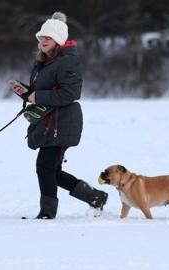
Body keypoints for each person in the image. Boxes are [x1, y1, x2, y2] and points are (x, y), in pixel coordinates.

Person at [12, 12, 108, 219]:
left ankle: (47, 213)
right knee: (50, 170)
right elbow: (46, 92)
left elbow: (70, 93)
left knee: (44, 167)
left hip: (62, 122)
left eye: (47, 37)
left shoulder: (67, 62)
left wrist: (37, 96)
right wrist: (27, 93)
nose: (42, 41)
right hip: (48, 122)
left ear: (58, 40)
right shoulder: (44, 62)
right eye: (41, 37)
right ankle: (95, 197)